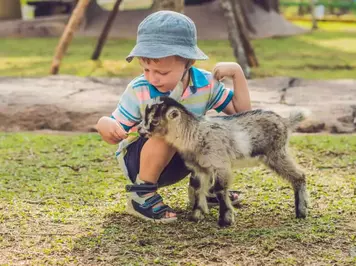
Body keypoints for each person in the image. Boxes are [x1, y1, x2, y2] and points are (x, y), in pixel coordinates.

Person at [96, 10, 251, 223]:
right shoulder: (140, 89)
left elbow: (242, 117)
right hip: (140, 162)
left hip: (181, 159)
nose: (152, 78)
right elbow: (115, 126)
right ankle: (141, 196)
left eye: (162, 72)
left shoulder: (205, 83)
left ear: (188, 62)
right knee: (168, 126)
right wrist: (105, 125)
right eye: (146, 69)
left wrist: (237, 73)